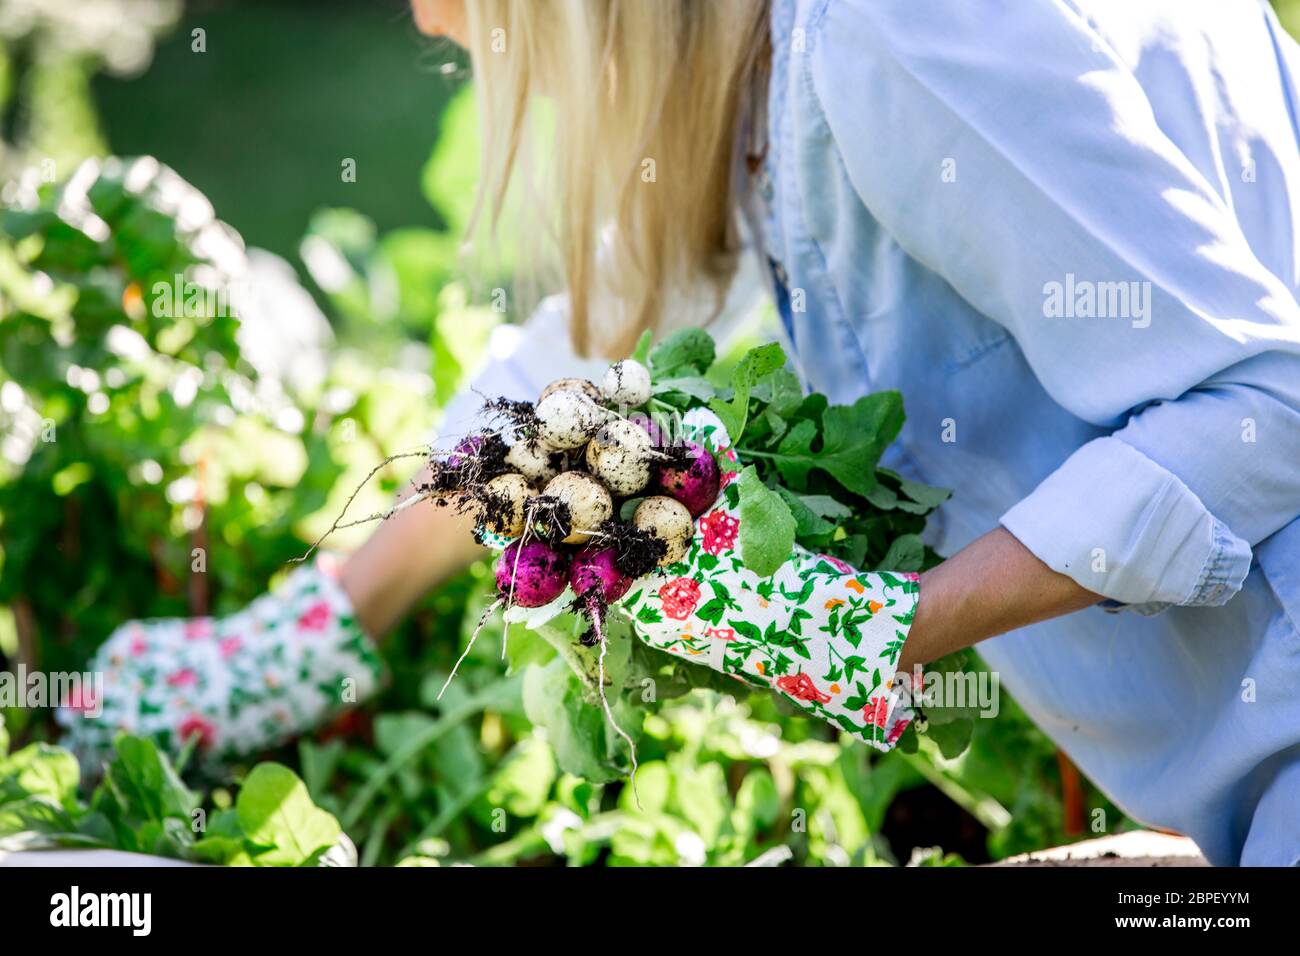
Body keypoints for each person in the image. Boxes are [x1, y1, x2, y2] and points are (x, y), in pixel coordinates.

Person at [65, 0, 1300, 866]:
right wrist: (328, 618)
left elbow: (1267, 404)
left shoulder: (899, 31)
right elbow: (587, 346)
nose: (430, 20)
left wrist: (888, 630)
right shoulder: (774, 55)